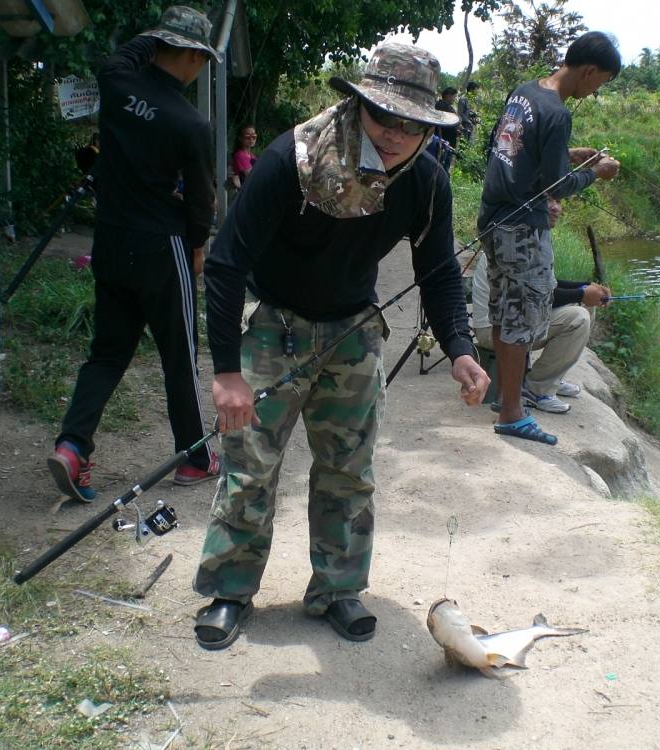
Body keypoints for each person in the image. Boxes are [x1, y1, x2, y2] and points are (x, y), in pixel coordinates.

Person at [192, 42, 490, 650]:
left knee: (349, 470)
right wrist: (227, 372)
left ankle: (337, 587)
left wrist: (460, 347)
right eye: (384, 117)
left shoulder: (427, 181)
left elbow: (436, 271)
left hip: (353, 330)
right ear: (358, 105)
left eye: (415, 124)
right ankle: (230, 591)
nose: (396, 135)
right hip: (273, 320)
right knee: (250, 467)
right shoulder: (290, 159)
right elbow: (225, 264)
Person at [48, 6, 223, 503]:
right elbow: (201, 201)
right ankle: (194, 458)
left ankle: (72, 446)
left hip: (110, 240)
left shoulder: (117, 82)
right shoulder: (190, 123)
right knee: (179, 355)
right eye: (201, 59)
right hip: (162, 248)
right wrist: (197, 245)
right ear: (191, 56)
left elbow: (124, 56)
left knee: (106, 354)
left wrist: (155, 37)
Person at [477, 31, 621, 444]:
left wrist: (570, 155)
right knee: (523, 317)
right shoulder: (558, 112)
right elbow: (555, 186)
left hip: (494, 218)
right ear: (589, 70)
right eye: (601, 82)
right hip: (523, 228)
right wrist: (596, 172)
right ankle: (512, 413)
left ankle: (507, 403)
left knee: (505, 313)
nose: (595, 91)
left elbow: (513, 148)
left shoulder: (524, 93)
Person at [472, 199, 611, 415]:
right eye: (548, 201)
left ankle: (551, 379)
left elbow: (547, 284)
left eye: (559, 200)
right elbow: (532, 296)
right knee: (578, 317)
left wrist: (586, 287)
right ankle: (536, 389)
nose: (555, 207)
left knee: (584, 303)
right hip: (493, 330)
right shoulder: (518, 240)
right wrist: (583, 293)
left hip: (516, 319)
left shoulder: (534, 235)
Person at [430, 86, 459, 171]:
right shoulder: (441, 105)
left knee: (445, 165)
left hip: (448, 141)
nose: (454, 98)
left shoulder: (449, 107)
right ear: (448, 95)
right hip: (443, 141)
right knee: (440, 166)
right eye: (454, 96)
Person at [229, 124, 258, 190]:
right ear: (240, 138)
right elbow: (252, 176)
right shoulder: (240, 155)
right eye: (247, 137)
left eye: (254, 136)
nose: (251, 139)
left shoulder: (251, 155)